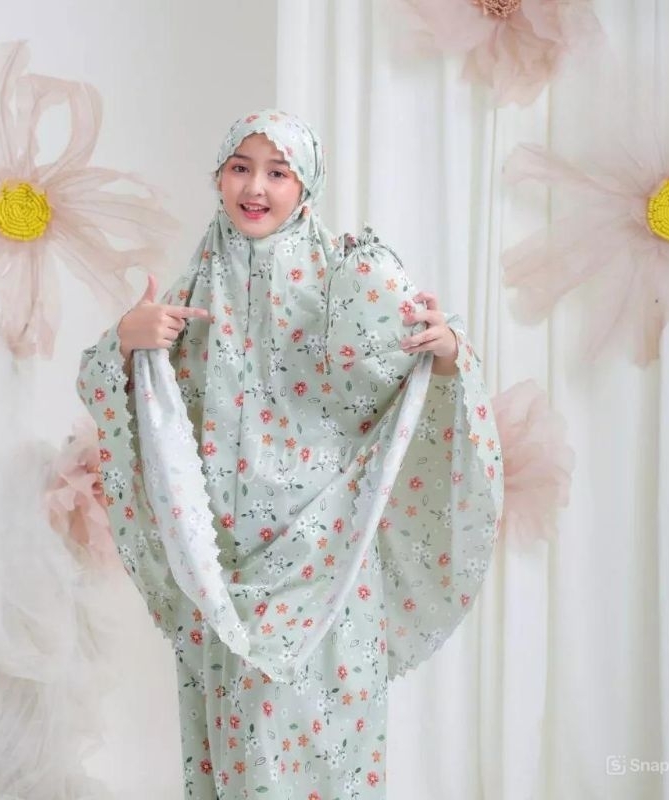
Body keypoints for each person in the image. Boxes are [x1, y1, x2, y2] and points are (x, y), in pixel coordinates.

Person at [77, 109, 503, 799]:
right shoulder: (193, 289)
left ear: (306, 186)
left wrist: (449, 349)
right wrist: (128, 338)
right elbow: (109, 390)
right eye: (240, 168)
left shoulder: (348, 279)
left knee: (326, 746)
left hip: (328, 559)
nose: (256, 187)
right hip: (222, 572)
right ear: (219, 177)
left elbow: (416, 376)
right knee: (236, 755)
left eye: (278, 172)